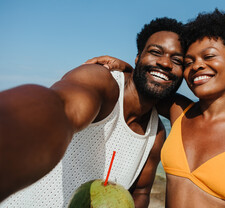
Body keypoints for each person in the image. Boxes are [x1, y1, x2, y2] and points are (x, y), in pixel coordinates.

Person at [90, 9, 225, 207]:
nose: (197, 65)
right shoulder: (179, 111)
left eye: (208, 57)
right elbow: (149, 82)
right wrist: (127, 67)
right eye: (189, 62)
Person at [0, 17, 185, 208]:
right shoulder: (101, 82)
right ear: (138, 57)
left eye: (177, 60)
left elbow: (140, 192)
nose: (165, 63)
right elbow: (60, 108)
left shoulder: (156, 135)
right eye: (155, 52)